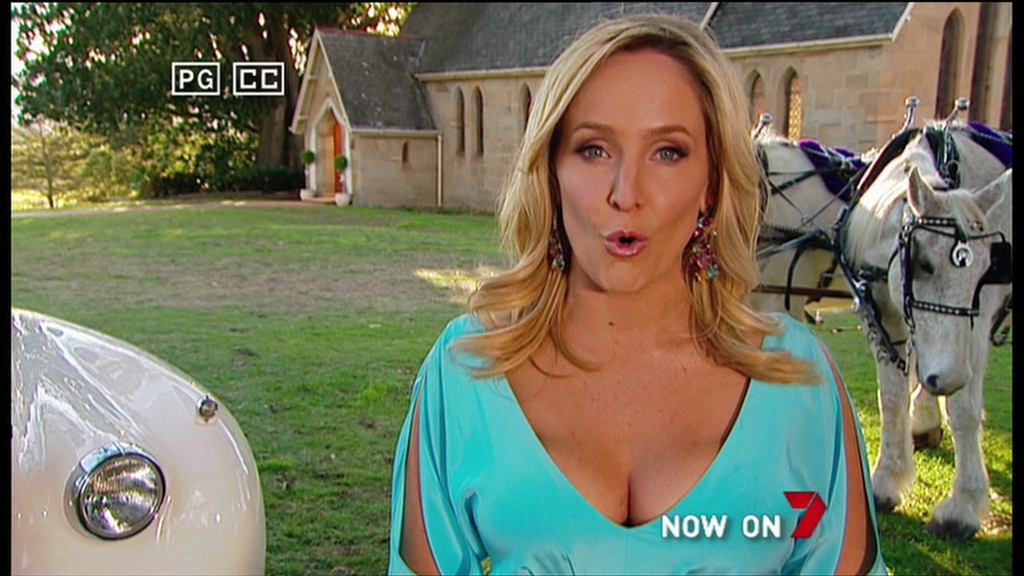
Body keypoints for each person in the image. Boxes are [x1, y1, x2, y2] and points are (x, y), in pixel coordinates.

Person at [388, 12, 886, 575]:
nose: (626, 193)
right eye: (593, 149)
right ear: (551, 173)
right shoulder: (466, 371)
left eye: (667, 152)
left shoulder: (799, 384)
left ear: (711, 183)